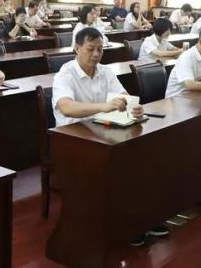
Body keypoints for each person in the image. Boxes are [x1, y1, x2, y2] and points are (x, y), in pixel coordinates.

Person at [51, 27, 163, 246]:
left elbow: (122, 95)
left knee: (144, 157)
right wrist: (103, 106)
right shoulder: (65, 73)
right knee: (120, 167)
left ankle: (140, 218)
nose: (96, 54)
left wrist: (133, 106)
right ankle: (122, 223)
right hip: (72, 139)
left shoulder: (105, 71)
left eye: (100, 49)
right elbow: (66, 107)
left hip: (102, 131)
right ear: (77, 48)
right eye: (90, 49)